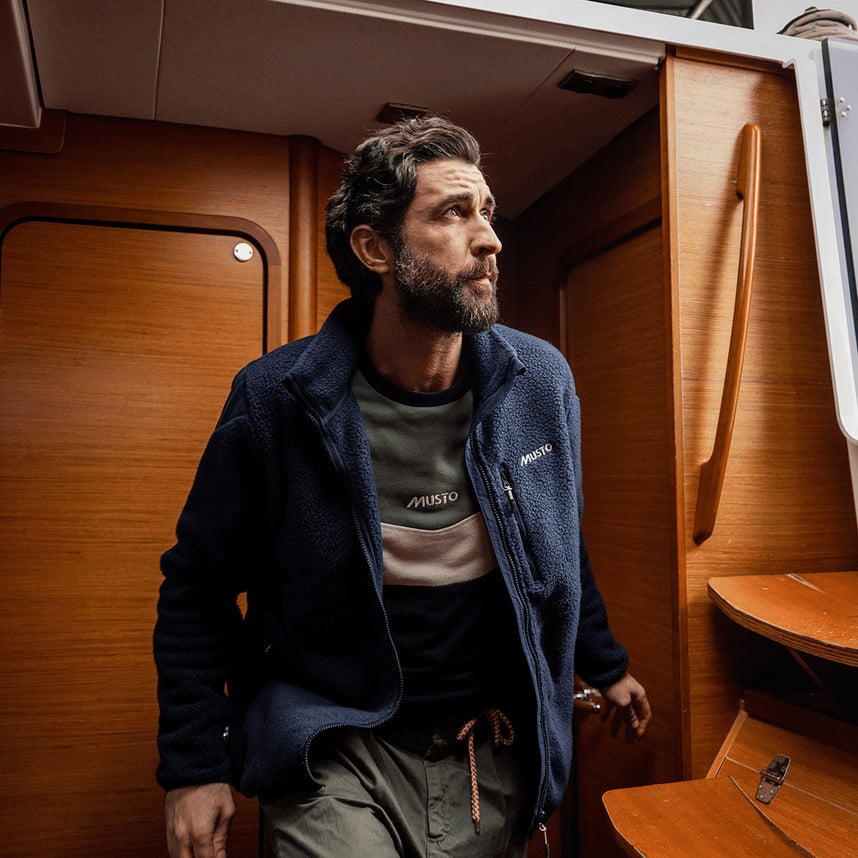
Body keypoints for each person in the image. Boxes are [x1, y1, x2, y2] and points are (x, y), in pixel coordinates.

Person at [154, 115, 651, 858]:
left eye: (487, 211)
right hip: (335, 743)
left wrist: (604, 663)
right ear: (376, 249)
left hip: (489, 747)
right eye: (454, 212)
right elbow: (198, 588)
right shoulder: (277, 400)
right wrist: (195, 764)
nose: (490, 238)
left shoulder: (539, 382)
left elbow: (553, 544)